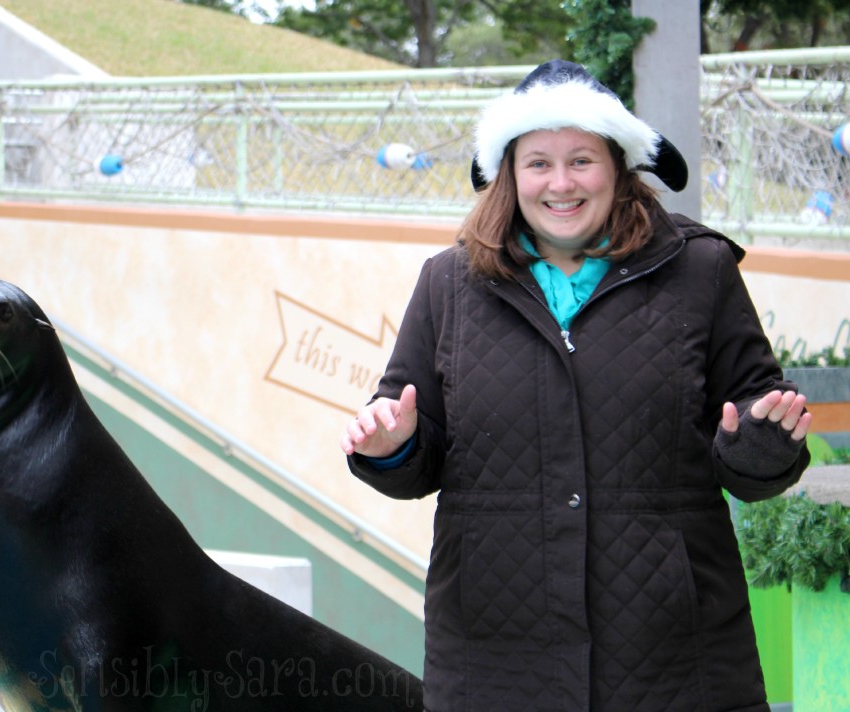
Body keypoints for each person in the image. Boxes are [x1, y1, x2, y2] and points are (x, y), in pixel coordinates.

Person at [340, 59, 812, 711]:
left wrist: (764, 442)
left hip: (675, 661)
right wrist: (391, 444)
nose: (560, 182)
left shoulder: (700, 271)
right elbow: (411, 452)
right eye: (538, 162)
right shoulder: (446, 283)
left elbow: (755, 442)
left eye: (581, 159)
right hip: (496, 660)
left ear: (617, 166)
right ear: (508, 173)